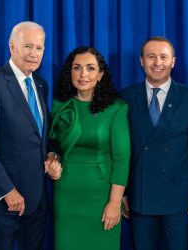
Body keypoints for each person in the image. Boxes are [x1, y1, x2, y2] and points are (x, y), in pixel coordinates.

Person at [0, 21, 61, 250]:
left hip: (37, 199)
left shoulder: (41, 84)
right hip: (5, 201)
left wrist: (52, 155)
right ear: (12, 47)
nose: (34, 54)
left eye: (39, 48)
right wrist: (7, 191)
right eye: (27, 46)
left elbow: (40, 136)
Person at [120, 36, 188, 250]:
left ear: (173, 61)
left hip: (179, 198)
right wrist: (121, 192)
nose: (157, 63)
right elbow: (121, 150)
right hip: (140, 194)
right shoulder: (125, 98)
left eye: (163, 57)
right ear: (141, 61)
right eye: (151, 57)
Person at [49, 47, 130, 250]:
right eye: (77, 68)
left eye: (90, 68)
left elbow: (122, 158)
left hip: (102, 196)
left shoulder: (116, 109)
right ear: (70, 73)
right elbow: (51, 145)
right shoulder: (59, 106)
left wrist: (114, 203)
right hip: (66, 193)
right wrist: (52, 159)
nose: (83, 74)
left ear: (100, 75)